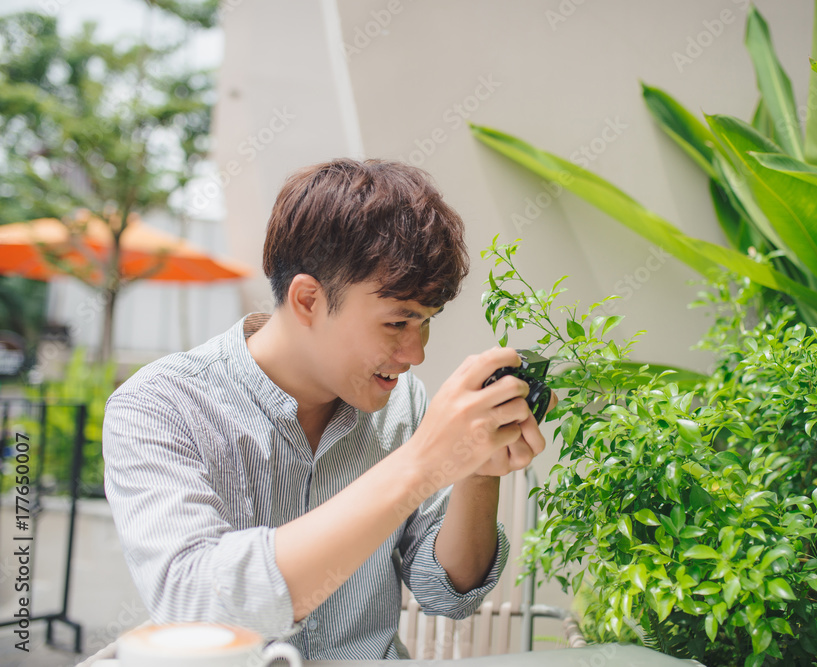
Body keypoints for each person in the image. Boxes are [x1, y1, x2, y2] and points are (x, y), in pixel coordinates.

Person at [102, 158, 553, 661]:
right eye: (397, 322)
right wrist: (422, 463)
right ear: (308, 300)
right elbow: (198, 605)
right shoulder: (161, 405)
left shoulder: (403, 404)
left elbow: (445, 591)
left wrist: (477, 471)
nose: (416, 352)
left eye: (426, 321)